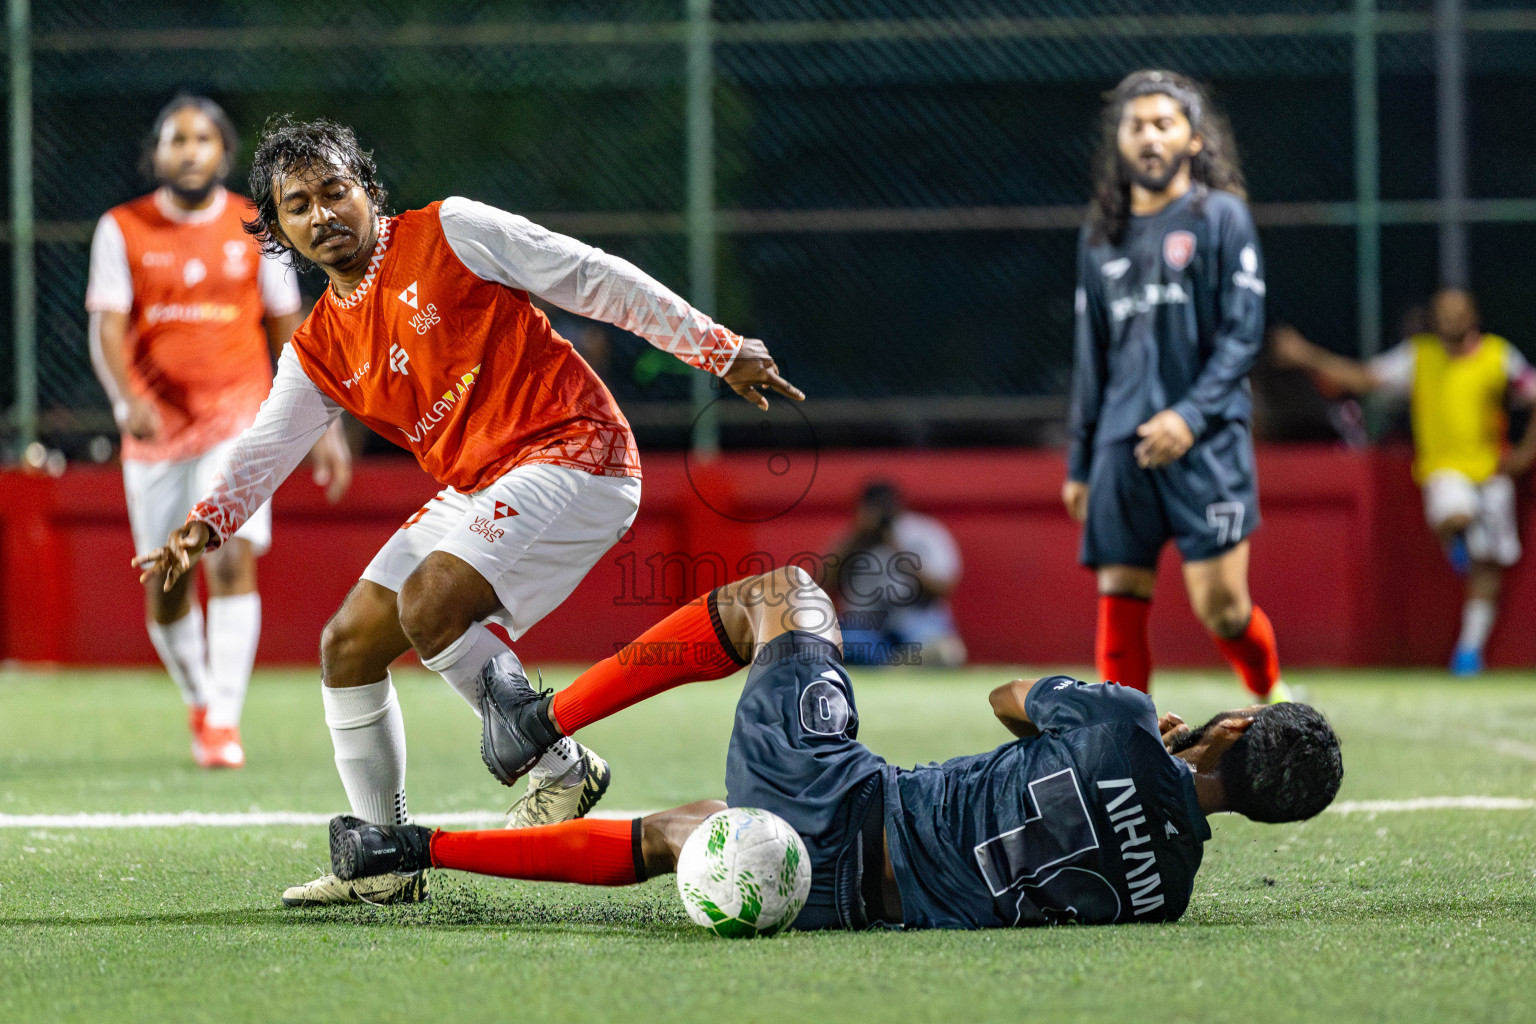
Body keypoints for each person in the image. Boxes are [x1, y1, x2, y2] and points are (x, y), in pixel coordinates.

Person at [131, 115, 802, 906]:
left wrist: (715, 347)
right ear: (278, 230)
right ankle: (385, 865)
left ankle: (559, 768)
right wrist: (205, 524)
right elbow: (266, 446)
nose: (322, 214)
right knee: (348, 646)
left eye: (336, 191)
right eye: (298, 205)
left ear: (369, 191)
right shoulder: (317, 348)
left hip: (574, 450)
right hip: (482, 483)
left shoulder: (450, 231)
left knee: (431, 602)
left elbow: (591, 276)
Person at [327, 566, 1343, 930]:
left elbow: (1006, 699)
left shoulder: (1126, 720)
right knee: (689, 835)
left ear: (1237, 725)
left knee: (782, 594)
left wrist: (1135, 732)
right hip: (834, 901)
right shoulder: (1167, 895)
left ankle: (542, 723)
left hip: (840, 795)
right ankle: (407, 848)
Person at [86, 95, 353, 770]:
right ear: (156, 154)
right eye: (176, 139)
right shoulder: (122, 228)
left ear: (224, 152)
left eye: (203, 139)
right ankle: (201, 700)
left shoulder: (254, 225)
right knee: (167, 579)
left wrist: (320, 421)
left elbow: (288, 325)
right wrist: (127, 399)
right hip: (158, 432)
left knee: (230, 553)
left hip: (239, 418)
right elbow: (107, 329)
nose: (190, 151)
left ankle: (224, 720)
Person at [1064, 70, 1287, 702]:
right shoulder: (1100, 234)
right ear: (1120, 141)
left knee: (1223, 608)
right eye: (1136, 126)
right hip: (1122, 441)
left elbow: (1243, 336)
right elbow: (1091, 355)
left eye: (1164, 124)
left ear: (1193, 139)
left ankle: (1274, 695)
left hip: (1206, 438)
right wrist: (1080, 460)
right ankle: (1125, 741)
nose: (1150, 137)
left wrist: (1189, 415)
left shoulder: (1221, 216)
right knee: (1119, 593)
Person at [1272, 289, 1536, 674]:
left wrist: (1526, 454)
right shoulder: (1419, 356)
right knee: (1456, 514)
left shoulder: (1500, 356)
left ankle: (1468, 652)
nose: (1450, 318)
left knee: (1488, 568)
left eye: (1458, 311)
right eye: (1443, 312)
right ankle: (1456, 539)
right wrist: (1306, 355)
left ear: (1474, 315)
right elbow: (1364, 378)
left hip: (1493, 473)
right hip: (1444, 470)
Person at [825, 480, 966, 666]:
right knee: (829, 642)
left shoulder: (924, 533)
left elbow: (942, 588)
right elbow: (820, 588)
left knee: (946, 650)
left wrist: (896, 548)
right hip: (867, 628)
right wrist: (856, 541)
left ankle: (891, 666)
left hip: (916, 624)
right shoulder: (852, 538)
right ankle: (898, 666)